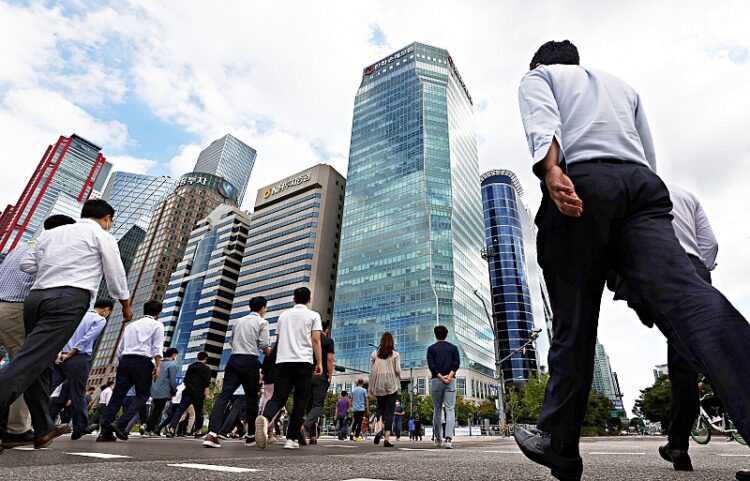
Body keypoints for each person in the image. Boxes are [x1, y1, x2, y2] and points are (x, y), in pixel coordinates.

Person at [512, 40, 750, 481]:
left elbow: (542, 124)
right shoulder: (623, 87)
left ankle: (560, 443)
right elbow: (648, 156)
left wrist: (551, 172)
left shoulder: (539, 77)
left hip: (583, 183)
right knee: (692, 301)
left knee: (574, 322)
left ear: (540, 63)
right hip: (641, 189)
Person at [0, 199, 133, 453]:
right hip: (68, 299)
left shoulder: (52, 234)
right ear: (106, 218)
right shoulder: (102, 235)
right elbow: (116, 274)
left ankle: (42, 429)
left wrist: (53, 265)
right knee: (31, 360)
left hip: (36, 298)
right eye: (110, 222)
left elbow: (26, 265)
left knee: (41, 363)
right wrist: (125, 305)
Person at [608, 185, 719, 471]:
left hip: (656, 268)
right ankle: (677, 445)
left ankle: (678, 446)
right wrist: (698, 269)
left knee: (684, 367)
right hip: (695, 271)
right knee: (716, 353)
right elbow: (710, 244)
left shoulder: (628, 190)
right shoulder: (686, 194)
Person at [0, 214, 76, 450]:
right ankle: (17, 429)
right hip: (17, 309)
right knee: (26, 369)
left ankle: (26, 427)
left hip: (3, 304)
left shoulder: (21, 247)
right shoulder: (51, 250)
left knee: (22, 367)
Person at [254, 287, 323, 450]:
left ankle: (265, 417)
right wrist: (319, 362)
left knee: (279, 397)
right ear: (309, 300)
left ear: (293, 299)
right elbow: (315, 340)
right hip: (303, 362)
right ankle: (291, 439)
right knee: (300, 400)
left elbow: (278, 341)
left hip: (283, 362)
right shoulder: (314, 315)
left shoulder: (283, 316)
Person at [204, 296, 268, 448]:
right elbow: (264, 344)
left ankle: (211, 434)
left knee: (224, 397)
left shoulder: (238, 321)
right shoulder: (262, 322)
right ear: (262, 308)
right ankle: (251, 436)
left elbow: (231, 342)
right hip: (250, 361)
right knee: (252, 399)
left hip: (233, 360)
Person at [97, 300, 163, 442]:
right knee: (143, 395)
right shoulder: (157, 325)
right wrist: (158, 366)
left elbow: (120, 348)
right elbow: (157, 348)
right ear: (158, 313)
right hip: (143, 361)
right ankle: (121, 423)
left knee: (117, 395)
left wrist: (123, 362)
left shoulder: (131, 325)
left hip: (125, 360)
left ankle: (105, 432)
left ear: (144, 310)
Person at [50, 298, 114, 439]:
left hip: (60, 355)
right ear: (106, 309)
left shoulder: (79, 315)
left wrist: (60, 353)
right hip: (77, 357)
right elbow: (87, 338)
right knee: (78, 392)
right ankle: (80, 427)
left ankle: (29, 421)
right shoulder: (99, 319)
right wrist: (73, 352)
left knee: (47, 388)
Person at [427, 325, 459, 449]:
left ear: (435, 335)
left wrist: (440, 377)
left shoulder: (431, 349)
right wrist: (449, 377)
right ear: (447, 334)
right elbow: (456, 363)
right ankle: (449, 439)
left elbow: (432, 365)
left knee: (437, 410)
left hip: (436, 380)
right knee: (450, 410)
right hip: (450, 381)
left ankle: (438, 439)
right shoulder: (453, 348)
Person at [302, 321, 334, 445]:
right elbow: (330, 359)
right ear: (326, 330)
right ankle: (305, 428)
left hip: (307, 374)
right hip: (321, 375)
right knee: (317, 405)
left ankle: (313, 436)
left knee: (309, 405)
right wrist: (330, 376)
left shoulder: (308, 339)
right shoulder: (328, 341)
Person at [166, 351, 212, 437]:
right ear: (206, 359)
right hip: (198, 393)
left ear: (197, 357)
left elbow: (185, 380)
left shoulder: (191, 367)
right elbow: (206, 383)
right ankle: (197, 431)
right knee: (198, 413)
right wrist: (207, 394)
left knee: (179, 410)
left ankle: (172, 428)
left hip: (187, 392)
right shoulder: (206, 369)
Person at [369, 331, 401, 448]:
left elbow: (371, 372)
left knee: (380, 408)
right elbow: (397, 370)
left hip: (378, 384)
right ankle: (387, 438)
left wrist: (371, 388)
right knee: (389, 411)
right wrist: (399, 377)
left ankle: (378, 429)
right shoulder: (395, 355)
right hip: (391, 385)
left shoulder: (374, 354)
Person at [143, 347, 178, 435]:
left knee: (155, 410)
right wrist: (174, 390)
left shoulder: (158, 364)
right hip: (164, 391)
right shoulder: (172, 365)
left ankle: (149, 428)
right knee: (157, 411)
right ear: (173, 355)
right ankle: (146, 426)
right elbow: (172, 380)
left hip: (154, 390)